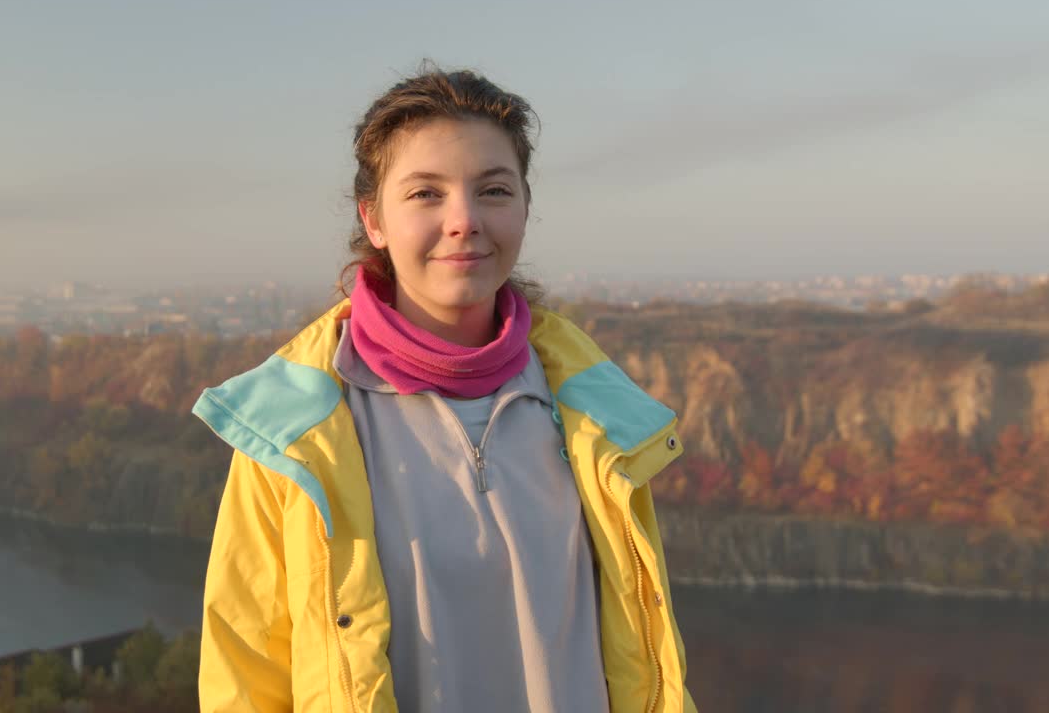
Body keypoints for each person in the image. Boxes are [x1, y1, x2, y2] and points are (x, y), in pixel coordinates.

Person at [193, 65, 697, 713]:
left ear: (524, 207)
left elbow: (645, 655)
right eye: (426, 194)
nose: (464, 221)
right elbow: (244, 673)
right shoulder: (295, 428)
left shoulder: (594, 412)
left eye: (492, 190)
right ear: (373, 218)